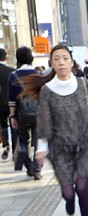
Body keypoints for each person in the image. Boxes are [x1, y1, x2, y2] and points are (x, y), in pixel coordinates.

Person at [25, 42, 88, 216]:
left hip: (85, 144)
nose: (61, 63)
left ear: (71, 62)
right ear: (51, 63)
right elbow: (44, 120)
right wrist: (41, 149)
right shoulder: (47, 90)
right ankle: (69, 199)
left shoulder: (84, 85)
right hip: (59, 148)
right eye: (56, 59)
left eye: (65, 58)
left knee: (83, 186)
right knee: (69, 192)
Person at [8, 46, 41, 179]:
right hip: (38, 113)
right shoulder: (39, 75)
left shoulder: (13, 76)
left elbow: (11, 100)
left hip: (21, 114)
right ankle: (37, 168)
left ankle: (28, 166)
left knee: (22, 141)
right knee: (38, 140)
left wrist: (12, 116)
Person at [0, 47, 15, 160]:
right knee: (14, 125)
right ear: (5, 57)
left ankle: (5, 144)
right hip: (10, 102)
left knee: (2, 125)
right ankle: (15, 150)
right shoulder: (11, 71)